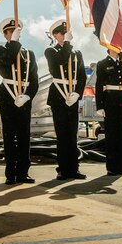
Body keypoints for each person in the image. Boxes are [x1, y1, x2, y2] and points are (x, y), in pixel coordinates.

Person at [0, 17, 39, 185]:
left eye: (16, 31)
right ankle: (10, 173)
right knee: (9, 137)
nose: (14, 34)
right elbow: (5, 68)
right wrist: (13, 43)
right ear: (5, 35)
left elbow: (34, 80)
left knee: (24, 137)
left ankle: (23, 172)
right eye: (10, 32)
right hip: (8, 98)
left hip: (24, 98)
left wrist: (28, 95)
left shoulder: (29, 54)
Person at [44, 19, 87, 180]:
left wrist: (78, 93)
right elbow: (60, 61)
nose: (66, 34)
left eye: (67, 32)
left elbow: (82, 76)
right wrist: (67, 43)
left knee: (72, 134)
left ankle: (74, 168)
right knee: (62, 135)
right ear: (56, 35)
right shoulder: (51, 51)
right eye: (62, 33)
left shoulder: (77, 53)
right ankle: (62, 168)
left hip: (72, 95)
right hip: (58, 96)